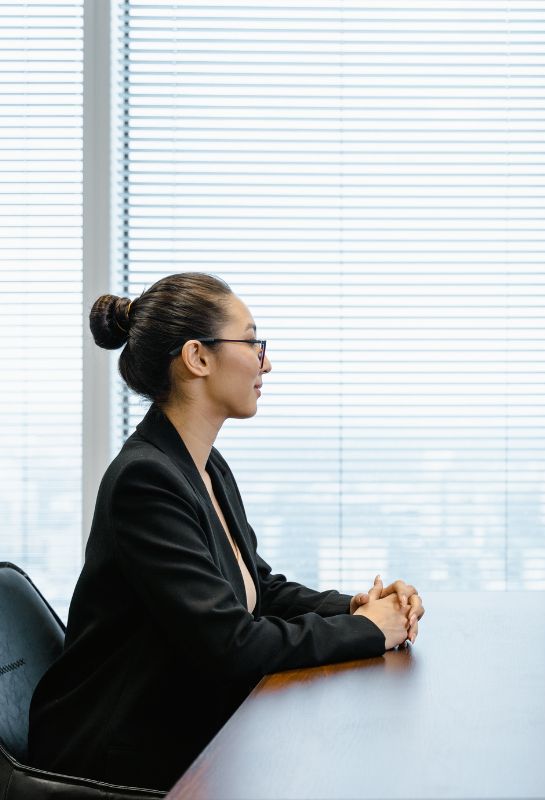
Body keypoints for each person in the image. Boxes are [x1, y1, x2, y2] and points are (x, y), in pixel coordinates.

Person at [29, 273, 425, 789]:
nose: (266, 362)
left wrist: (355, 606)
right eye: (253, 342)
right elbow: (232, 645)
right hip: (118, 752)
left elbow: (259, 590)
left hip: (185, 724)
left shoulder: (205, 466)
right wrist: (370, 630)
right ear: (198, 357)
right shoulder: (145, 480)